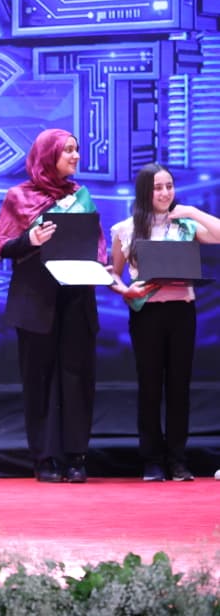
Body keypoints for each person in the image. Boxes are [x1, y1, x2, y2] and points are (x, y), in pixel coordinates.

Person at [0, 128, 105, 484]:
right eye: (68, 150)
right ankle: (46, 458)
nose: (75, 156)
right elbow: (2, 247)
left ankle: (76, 457)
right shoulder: (19, 197)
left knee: (77, 379)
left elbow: (96, 244)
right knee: (40, 382)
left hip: (77, 300)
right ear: (47, 155)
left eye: (76, 149)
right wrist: (30, 239)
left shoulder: (81, 197)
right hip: (35, 302)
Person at [108, 163, 220, 482]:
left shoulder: (185, 224)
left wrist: (192, 211)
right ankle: (152, 460)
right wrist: (125, 290)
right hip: (147, 313)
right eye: (158, 187)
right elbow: (113, 273)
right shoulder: (125, 228)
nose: (165, 193)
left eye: (169, 186)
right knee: (150, 386)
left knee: (179, 387)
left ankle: (178, 459)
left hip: (182, 312)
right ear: (145, 191)